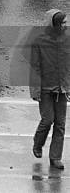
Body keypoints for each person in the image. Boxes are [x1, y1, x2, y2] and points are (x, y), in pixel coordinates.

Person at [30, 9, 69, 170]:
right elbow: (34, 68)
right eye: (63, 23)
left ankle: (55, 157)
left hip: (61, 89)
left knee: (60, 124)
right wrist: (35, 90)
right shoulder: (39, 41)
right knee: (48, 120)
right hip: (45, 89)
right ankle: (38, 143)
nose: (66, 25)